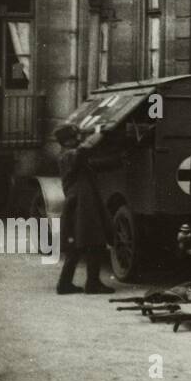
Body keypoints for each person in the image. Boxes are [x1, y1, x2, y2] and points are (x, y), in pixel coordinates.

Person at [54, 123, 117, 295]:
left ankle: (65, 284)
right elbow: (83, 150)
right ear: (66, 141)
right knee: (95, 243)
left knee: (76, 248)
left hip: (80, 205)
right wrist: (99, 133)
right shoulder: (69, 156)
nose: (78, 139)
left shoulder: (69, 156)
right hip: (81, 207)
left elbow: (92, 163)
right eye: (74, 137)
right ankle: (92, 284)